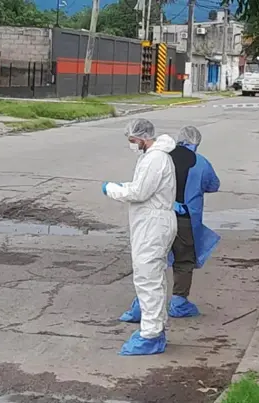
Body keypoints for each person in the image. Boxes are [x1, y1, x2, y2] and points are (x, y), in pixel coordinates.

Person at [119, 125, 221, 322]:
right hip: (185, 220)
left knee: (152, 261)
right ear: (196, 143)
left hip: (157, 219)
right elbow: (213, 185)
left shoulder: (159, 157)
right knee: (184, 261)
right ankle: (179, 302)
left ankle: (141, 306)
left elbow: (141, 187)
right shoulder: (200, 162)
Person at [101, 118, 178, 356]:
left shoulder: (155, 158)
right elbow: (142, 186)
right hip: (153, 222)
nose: (131, 144)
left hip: (153, 225)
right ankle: (156, 327)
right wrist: (124, 186)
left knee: (148, 279)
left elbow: (139, 192)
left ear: (143, 138)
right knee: (153, 277)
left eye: (133, 140)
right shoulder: (153, 157)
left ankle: (151, 334)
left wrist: (113, 189)